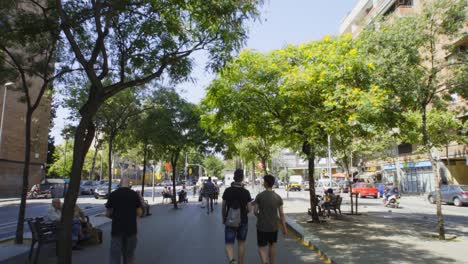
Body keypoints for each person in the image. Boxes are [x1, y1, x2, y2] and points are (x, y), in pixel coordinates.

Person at [106, 177, 143, 264]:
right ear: (129, 184)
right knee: (129, 255)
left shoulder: (113, 194)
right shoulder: (134, 195)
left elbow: (108, 213)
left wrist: (113, 216)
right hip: (131, 230)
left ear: (120, 183)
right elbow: (140, 213)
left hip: (116, 230)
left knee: (115, 256)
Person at [252, 175, 287, 264]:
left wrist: (260, 217)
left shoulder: (260, 196)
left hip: (261, 226)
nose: (263, 183)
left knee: (261, 246)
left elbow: (255, 211)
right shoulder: (278, 197)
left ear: (266, 183)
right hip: (273, 227)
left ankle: (264, 261)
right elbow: (282, 214)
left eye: (264, 182)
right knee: (272, 245)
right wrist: (284, 228)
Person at [222, 169, 252, 264]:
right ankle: (240, 262)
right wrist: (244, 212)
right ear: (242, 178)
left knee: (229, 243)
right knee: (241, 243)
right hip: (243, 221)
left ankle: (232, 260)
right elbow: (250, 209)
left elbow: (223, 207)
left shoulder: (227, 191)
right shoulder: (246, 192)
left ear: (234, 177)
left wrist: (224, 218)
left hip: (230, 220)